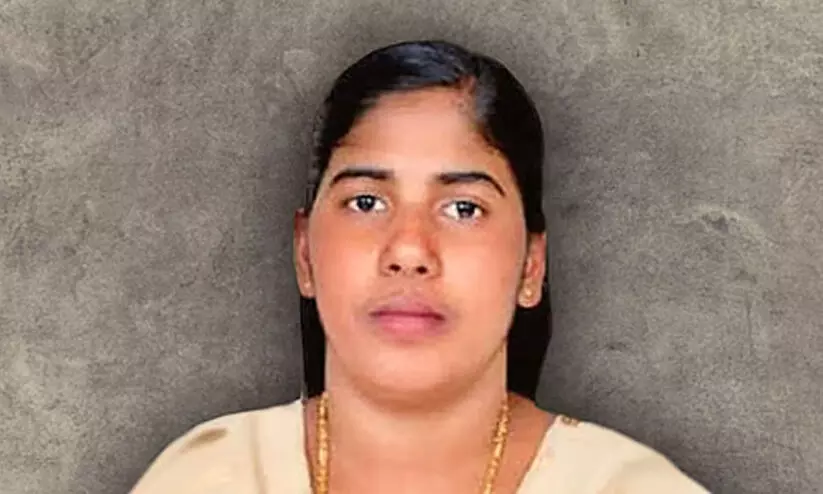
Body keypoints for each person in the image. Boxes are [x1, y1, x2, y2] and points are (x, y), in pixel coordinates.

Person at [130, 39, 709, 493]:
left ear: (531, 267)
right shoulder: (210, 477)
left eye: (463, 208)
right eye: (366, 203)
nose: (408, 251)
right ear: (304, 253)